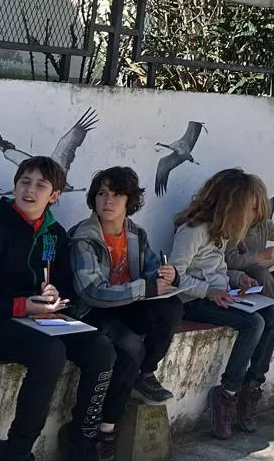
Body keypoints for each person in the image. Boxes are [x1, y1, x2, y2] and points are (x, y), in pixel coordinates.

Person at [0, 155, 116, 461]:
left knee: (101, 348)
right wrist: (19, 306)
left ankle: (82, 440)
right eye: (24, 182)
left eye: (41, 185)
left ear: (54, 196)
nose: (30, 190)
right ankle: (17, 451)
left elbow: (66, 286)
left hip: (39, 319)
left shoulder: (54, 235)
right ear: (14, 187)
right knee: (49, 353)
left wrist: (55, 296)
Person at [70, 166, 184, 449]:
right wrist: (145, 288)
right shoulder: (83, 237)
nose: (108, 201)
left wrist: (168, 275)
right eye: (102, 193)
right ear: (93, 198)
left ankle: (145, 374)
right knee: (130, 348)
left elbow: (151, 270)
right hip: (93, 311)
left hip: (125, 305)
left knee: (172, 306)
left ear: (129, 201)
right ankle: (106, 430)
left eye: (117, 194)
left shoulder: (135, 234)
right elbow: (92, 291)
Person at [173, 168, 274, 436]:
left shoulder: (221, 232)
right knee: (253, 323)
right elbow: (174, 277)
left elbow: (218, 270)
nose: (254, 216)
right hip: (192, 300)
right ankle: (228, 392)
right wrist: (207, 292)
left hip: (219, 294)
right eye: (251, 208)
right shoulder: (193, 230)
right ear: (232, 205)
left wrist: (238, 278)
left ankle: (253, 385)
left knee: (272, 317)